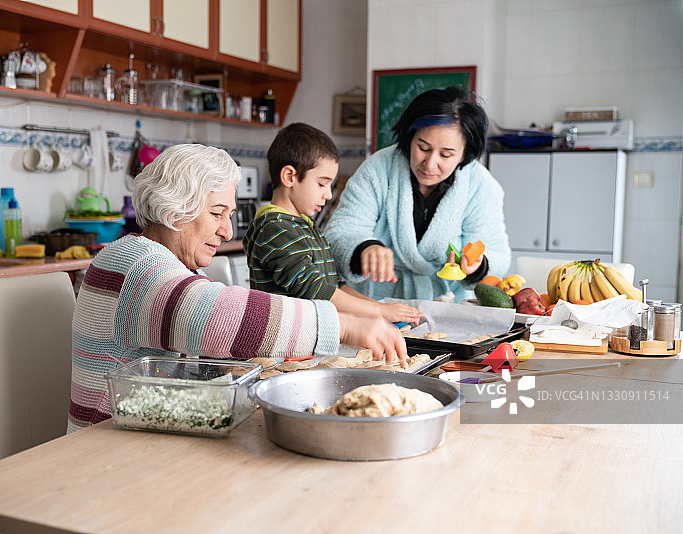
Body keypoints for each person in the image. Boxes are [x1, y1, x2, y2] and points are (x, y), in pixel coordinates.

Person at [68, 143, 407, 432]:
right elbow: (216, 318)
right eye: (217, 214)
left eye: (229, 215)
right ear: (175, 208)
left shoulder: (167, 264)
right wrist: (343, 326)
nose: (227, 231)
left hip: (143, 431)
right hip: (103, 447)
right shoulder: (136, 266)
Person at [324, 87, 510, 302]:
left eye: (446, 154)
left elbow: (497, 255)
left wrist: (478, 266)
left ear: (464, 155)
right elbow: (340, 232)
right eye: (423, 148)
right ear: (409, 137)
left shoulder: (481, 186)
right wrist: (364, 249)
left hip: (447, 304)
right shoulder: (377, 169)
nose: (430, 164)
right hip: (375, 303)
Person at [243, 122, 423, 323]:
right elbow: (315, 289)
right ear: (289, 177)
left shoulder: (305, 226)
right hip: (287, 338)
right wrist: (378, 311)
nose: (328, 194)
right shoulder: (275, 228)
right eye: (322, 183)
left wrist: (381, 310)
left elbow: (334, 285)